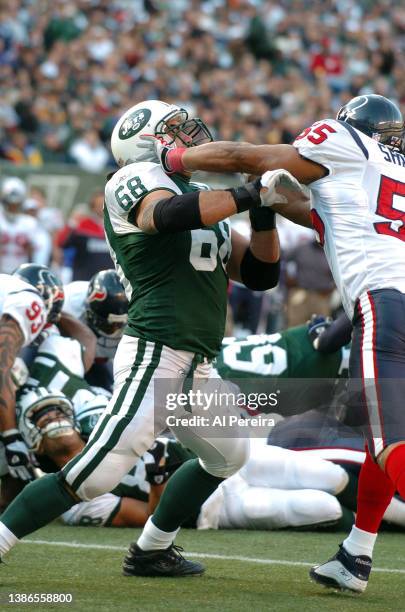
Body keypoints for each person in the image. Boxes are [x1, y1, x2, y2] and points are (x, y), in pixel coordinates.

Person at [0, 99, 309, 577]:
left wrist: (265, 210)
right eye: (175, 129)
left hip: (197, 366)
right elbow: (160, 217)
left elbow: (260, 273)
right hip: (156, 352)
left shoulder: (203, 192)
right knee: (93, 476)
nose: (190, 134)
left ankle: (151, 548)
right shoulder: (131, 180)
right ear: (148, 141)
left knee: (230, 453)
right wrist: (250, 193)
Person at [143, 93, 405, 592]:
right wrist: (265, 198)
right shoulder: (391, 176)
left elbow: (249, 156)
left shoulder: (346, 144)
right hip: (397, 298)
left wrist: (173, 157)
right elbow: (323, 217)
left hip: (387, 305)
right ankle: (356, 555)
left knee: (390, 440)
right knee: (382, 434)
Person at [62, 269, 128, 390]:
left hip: (107, 364)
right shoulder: (69, 302)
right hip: (70, 359)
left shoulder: (142, 316)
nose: (114, 333)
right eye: (107, 326)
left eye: (119, 325)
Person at [0, 177, 47, 274]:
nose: (13, 207)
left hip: (21, 274)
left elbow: (39, 252)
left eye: (16, 204)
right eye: (9, 204)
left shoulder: (30, 223)